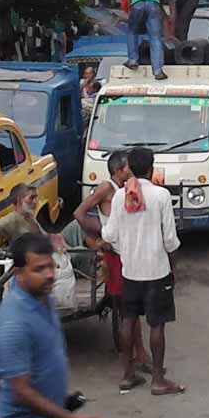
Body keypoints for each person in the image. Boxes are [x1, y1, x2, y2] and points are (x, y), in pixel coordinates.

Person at [0, 233, 110, 418]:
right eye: (39, 269)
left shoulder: (44, 299)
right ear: (18, 274)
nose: (49, 275)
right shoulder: (13, 321)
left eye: (51, 266)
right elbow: (22, 392)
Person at [101, 147, 184, 395]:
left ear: (129, 168)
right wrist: (173, 267)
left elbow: (110, 234)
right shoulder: (161, 195)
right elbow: (170, 239)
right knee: (157, 324)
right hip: (156, 271)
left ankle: (127, 375)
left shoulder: (119, 196)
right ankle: (158, 380)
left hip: (130, 271)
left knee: (129, 321)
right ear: (151, 167)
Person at [73, 151, 150, 374]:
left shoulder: (125, 188)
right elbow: (80, 213)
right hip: (115, 254)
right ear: (119, 169)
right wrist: (99, 238)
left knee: (130, 306)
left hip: (125, 251)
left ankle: (137, 354)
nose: (131, 169)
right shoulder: (107, 188)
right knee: (128, 307)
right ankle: (136, 355)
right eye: (128, 166)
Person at [120, 0, 166, 80]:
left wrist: (130, 10)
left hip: (137, 4)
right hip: (153, 4)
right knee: (155, 37)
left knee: (132, 31)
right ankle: (158, 71)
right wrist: (156, 2)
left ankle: (133, 60)